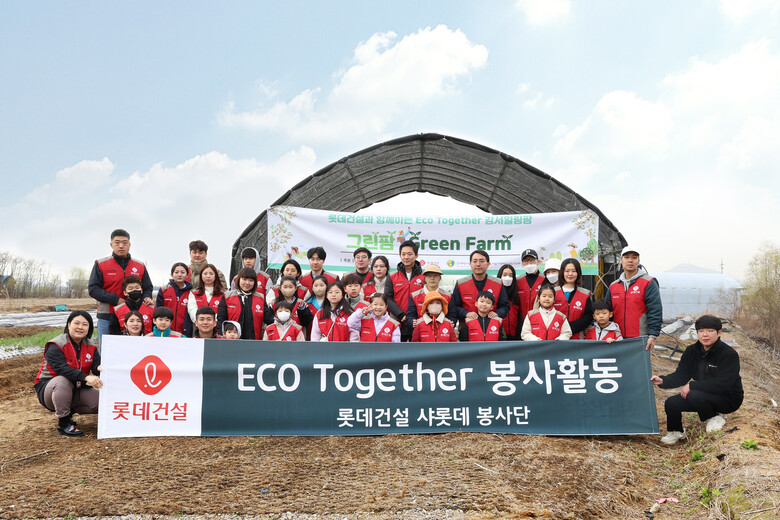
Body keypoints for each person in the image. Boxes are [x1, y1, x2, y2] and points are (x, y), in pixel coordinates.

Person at [651, 315, 743, 445]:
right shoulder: (691, 351)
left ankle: (714, 417)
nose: (705, 335)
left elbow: (724, 383)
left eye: (710, 331)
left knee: (694, 394)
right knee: (671, 403)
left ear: (719, 333)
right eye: (701, 331)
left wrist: (692, 385)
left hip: (727, 398)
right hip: (702, 395)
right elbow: (681, 375)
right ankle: (676, 431)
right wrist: (662, 380)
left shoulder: (728, 354)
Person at [34, 311, 102, 437]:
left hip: (76, 387)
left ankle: (69, 411)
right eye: (77, 323)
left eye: (85, 324)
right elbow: (62, 369)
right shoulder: (56, 345)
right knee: (62, 381)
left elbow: (96, 367)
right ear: (69, 325)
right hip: (50, 389)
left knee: (101, 402)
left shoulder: (90, 346)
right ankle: (64, 423)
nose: (80, 327)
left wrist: (101, 367)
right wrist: (86, 377)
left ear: (89, 328)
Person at [88, 229, 153, 345]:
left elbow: (148, 287)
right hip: (107, 315)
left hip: (136, 316)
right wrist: (116, 300)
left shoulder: (139, 265)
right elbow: (93, 289)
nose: (121, 246)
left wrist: (146, 298)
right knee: (108, 349)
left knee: (140, 349)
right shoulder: (101, 264)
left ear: (129, 244)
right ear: (111, 244)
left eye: (124, 242)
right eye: (117, 242)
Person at [606, 246, 662, 350]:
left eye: (634, 257)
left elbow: (655, 310)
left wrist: (653, 335)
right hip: (616, 338)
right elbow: (606, 311)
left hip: (640, 339)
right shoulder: (613, 286)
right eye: (627, 257)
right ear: (621, 260)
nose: (630, 260)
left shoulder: (648, 282)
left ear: (638, 261)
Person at [447, 250, 510, 334]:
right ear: (470, 264)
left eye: (482, 261)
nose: (478, 264)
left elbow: (505, 306)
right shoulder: (461, 283)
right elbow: (454, 307)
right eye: (475, 261)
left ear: (488, 264)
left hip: (492, 329)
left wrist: (497, 313)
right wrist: (466, 313)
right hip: (467, 329)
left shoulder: (498, 283)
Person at [386, 240, 426, 341]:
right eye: (403, 254)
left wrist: (415, 318)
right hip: (398, 321)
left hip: (418, 321)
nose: (406, 257)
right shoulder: (392, 276)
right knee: (398, 350)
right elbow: (388, 298)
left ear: (416, 255)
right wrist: (401, 315)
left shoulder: (424, 277)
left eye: (409, 254)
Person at [218, 268, 272, 340]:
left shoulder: (260, 298)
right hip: (232, 341)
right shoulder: (227, 296)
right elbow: (221, 320)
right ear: (238, 279)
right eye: (244, 279)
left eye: (251, 280)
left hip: (254, 341)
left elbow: (269, 320)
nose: (247, 283)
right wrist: (220, 337)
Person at [554, 258, 594, 339]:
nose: (570, 274)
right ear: (562, 272)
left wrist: (570, 327)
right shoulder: (552, 292)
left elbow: (588, 316)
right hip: (555, 338)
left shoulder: (585, 294)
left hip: (577, 339)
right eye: (567, 271)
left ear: (578, 273)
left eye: (573, 271)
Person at [185, 263, 225, 337]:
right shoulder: (194, 293)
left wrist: (212, 322)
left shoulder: (223, 294)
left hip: (217, 332)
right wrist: (202, 322)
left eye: (211, 274)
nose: (208, 276)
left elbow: (223, 313)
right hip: (198, 331)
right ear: (201, 276)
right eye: (205, 273)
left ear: (216, 276)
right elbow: (192, 310)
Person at [155, 262, 193, 334]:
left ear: (187, 275)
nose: (179, 275)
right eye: (176, 272)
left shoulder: (192, 292)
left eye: (182, 272)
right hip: (166, 330)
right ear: (171, 274)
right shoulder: (164, 290)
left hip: (185, 331)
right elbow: (157, 311)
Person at [516, 248, 543, 323]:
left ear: (537, 262)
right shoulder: (518, 281)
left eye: (531, 260)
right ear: (522, 264)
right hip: (522, 322)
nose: (529, 263)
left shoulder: (545, 279)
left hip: (540, 321)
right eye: (526, 261)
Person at [497, 264, 521, 340]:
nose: (507, 277)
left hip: (515, 335)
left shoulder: (516, 294)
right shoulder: (495, 292)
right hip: (499, 334)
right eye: (505, 275)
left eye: (510, 275)